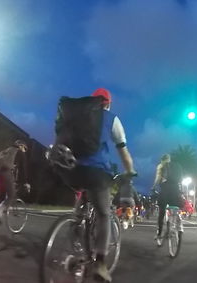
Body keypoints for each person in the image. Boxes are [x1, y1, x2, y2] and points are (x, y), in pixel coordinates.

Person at [56, 88, 136, 282]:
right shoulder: (111, 118)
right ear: (107, 103)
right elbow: (123, 152)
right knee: (103, 214)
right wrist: (130, 171)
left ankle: (75, 248)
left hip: (70, 168)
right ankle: (100, 263)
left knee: (79, 212)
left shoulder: (77, 117)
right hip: (96, 172)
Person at [0, 139, 31, 222]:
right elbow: (23, 169)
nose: (24, 150)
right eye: (24, 148)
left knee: (2, 195)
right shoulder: (20, 152)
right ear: (21, 146)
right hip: (6, 173)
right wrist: (25, 182)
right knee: (11, 195)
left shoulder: (7, 150)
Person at [152, 154, 183, 243]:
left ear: (162, 160)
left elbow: (158, 178)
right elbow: (180, 179)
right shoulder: (178, 166)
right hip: (175, 189)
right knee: (176, 209)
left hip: (165, 190)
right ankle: (178, 226)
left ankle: (159, 234)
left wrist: (153, 187)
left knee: (162, 212)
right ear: (169, 159)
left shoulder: (161, 166)